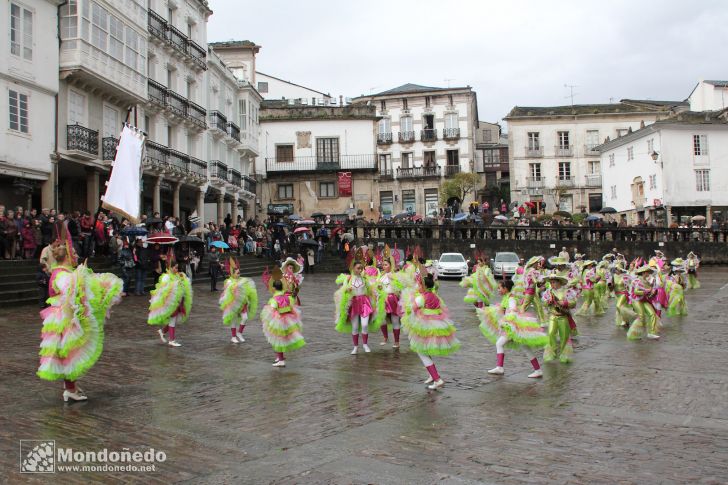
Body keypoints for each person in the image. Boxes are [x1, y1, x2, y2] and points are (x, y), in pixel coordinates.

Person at [37, 241, 123, 402]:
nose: (76, 255)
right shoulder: (62, 274)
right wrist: (79, 276)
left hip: (63, 316)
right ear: (68, 256)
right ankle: (70, 389)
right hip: (65, 318)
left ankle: (70, 386)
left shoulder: (62, 272)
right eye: (74, 253)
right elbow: (71, 291)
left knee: (69, 352)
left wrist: (80, 275)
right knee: (71, 353)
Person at [401, 272, 460, 390]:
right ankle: (432, 376)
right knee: (425, 349)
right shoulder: (435, 296)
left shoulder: (421, 298)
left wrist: (408, 304)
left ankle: (437, 379)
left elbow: (410, 309)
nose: (417, 287)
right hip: (436, 326)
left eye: (418, 285)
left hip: (424, 327)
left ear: (423, 286)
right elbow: (440, 308)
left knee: (421, 351)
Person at [478, 278, 546, 378]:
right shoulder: (507, 297)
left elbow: (513, 312)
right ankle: (538, 370)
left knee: (500, 343)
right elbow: (503, 310)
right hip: (513, 327)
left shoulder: (511, 298)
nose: (498, 290)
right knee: (525, 348)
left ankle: (500, 368)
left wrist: (505, 322)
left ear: (505, 288)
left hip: (513, 328)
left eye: (500, 288)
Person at [261, 267, 305, 367]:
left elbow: (271, 309)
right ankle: (279, 357)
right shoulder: (288, 297)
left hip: (278, 321)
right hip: (288, 319)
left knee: (277, 340)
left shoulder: (274, 299)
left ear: (274, 288)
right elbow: (292, 304)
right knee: (282, 339)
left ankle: (280, 360)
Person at [147, 251, 192, 347]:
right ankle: (172, 340)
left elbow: (182, 286)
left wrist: (182, 280)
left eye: (177, 268)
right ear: (170, 267)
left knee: (174, 320)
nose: (177, 269)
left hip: (178, 301)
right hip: (171, 303)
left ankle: (162, 331)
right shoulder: (166, 277)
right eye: (175, 268)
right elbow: (164, 290)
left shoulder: (177, 276)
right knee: (172, 320)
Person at [335, 255, 375, 354]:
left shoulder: (365, 279)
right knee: (355, 327)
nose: (360, 270)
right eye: (358, 268)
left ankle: (365, 344)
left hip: (364, 303)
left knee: (365, 325)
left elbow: (371, 290)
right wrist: (346, 290)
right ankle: (355, 347)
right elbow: (342, 291)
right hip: (353, 303)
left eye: (361, 268)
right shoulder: (348, 279)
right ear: (353, 268)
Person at [219, 257, 258, 343]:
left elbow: (247, 290)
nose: (239, 275)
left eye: (239, 273)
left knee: (245, 318)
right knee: (234, 320)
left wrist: (248, 299)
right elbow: (229, 290)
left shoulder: (242, 280)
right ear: (233, 274)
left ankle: (239, 333)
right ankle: (233, 336)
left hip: (242, 303)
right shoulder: (229, 281)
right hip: (233, 303)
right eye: (237, 273)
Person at [541, 274, 578, 363]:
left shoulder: (567, 292)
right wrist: (548, 302)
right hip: (553, 316)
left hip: (563, 317)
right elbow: (544, 303)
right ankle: (552, 353)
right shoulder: (548, 292)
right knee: (550, 334)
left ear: (559, 282)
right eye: (551, 283)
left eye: (554, 282)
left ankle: (563, 355)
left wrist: (564, 303)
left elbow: (573, 303)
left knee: (564, 336)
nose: (552, 284)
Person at [373, 247, 403, 349]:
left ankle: (397, 341)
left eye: (386, 264)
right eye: (383, 264)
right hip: (382, 300)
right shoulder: (381, 275)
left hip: (392, 299)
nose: (383, 266)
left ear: (391, 265)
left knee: (395, 320)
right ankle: (385, 337)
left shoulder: (393, 275)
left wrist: (393, 280)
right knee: (382, 319)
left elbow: (398, 288)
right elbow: (377, 288)